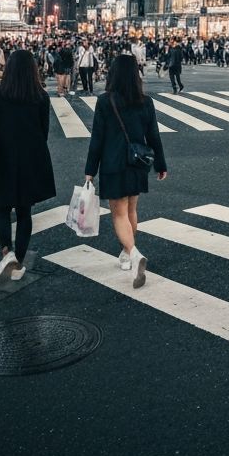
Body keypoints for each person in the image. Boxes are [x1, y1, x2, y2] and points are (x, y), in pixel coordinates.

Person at [84, 54, 168, 289]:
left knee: (119, 213)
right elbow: (154, 136)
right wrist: (160, 164)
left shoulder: (104, 101)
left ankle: (133, 253)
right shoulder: (145, 102)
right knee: (131, 209)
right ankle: (126, 251)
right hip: (138, 163)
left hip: (113, 164)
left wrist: (90, 170)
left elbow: (97, 139)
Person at [0, 49, 57, 282]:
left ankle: (6, 251)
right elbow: (44, 131)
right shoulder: (40, 96)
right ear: (32, 70)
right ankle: (18, 261)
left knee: (2, 208)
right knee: (24, 211)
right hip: (31, 158)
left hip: (3, 157)